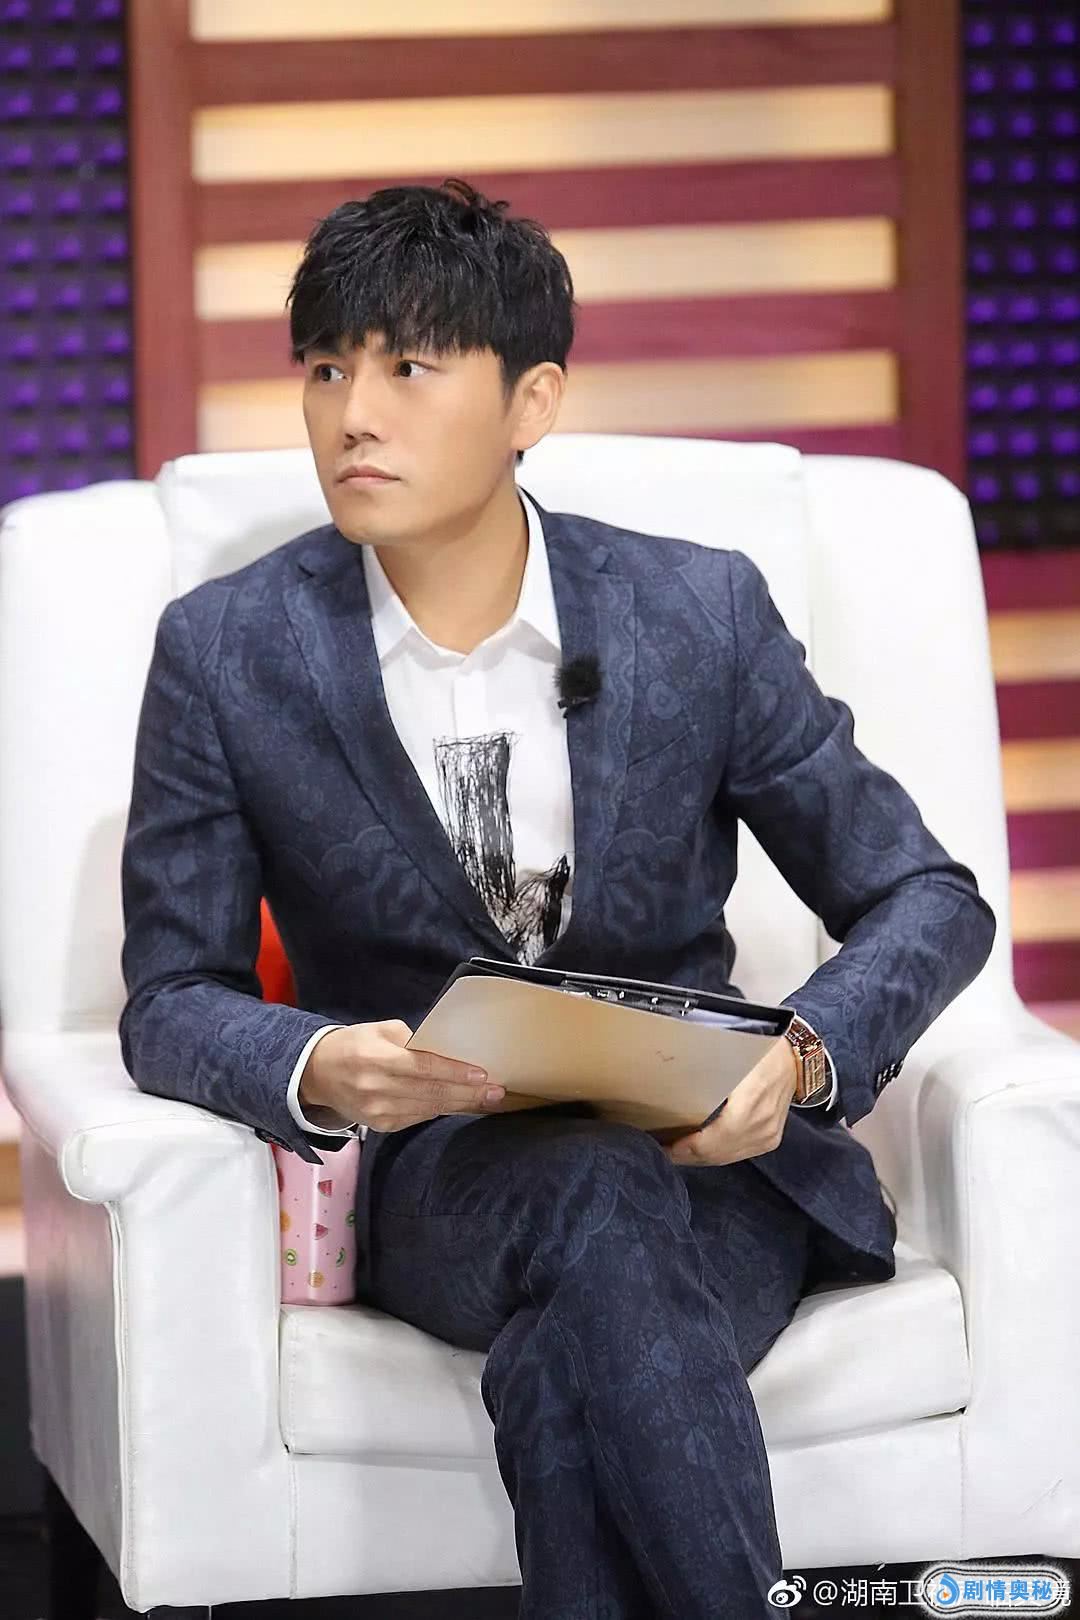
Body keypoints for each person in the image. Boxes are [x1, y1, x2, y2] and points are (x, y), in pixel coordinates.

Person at [118, 178, 997, 1618]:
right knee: (588, 1191)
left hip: (715, 1167)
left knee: (563, 1365)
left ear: (532, 399)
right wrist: (319, 1060)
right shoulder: (230, 653)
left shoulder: (696, 614)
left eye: (408, 367)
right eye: (325, 370)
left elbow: (926, 894)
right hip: (450, 1180)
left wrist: (800, 1056)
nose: (352, 415)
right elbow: (169, 998)